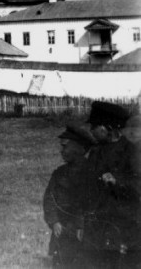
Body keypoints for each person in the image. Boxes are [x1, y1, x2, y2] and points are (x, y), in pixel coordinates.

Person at [83, 101, 140, 268]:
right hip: (97, 225)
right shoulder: (95, 152)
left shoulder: (132, 152)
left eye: (94, 126)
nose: (91, 130)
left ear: (108, 127)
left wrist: (117, 182)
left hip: (123, 225)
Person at [42, 124, 98, 267]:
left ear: (78, 148)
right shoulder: (59, 173)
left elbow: (91, 202)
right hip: (61, 232)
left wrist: (81, 225)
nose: (61, 151)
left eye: (65, 147)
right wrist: (54, 221)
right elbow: (49, 198)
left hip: (83, 234)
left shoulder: (92, 173)